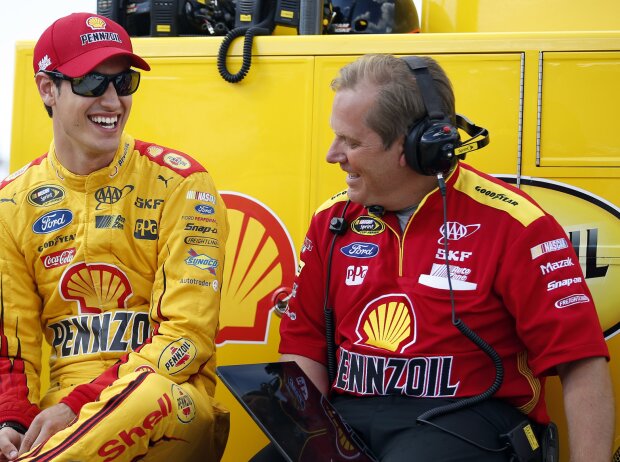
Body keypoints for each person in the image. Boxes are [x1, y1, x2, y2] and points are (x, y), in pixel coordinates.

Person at [256, 54, 614, 461]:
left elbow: (581, 364)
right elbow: (304, 344)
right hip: (349, 418)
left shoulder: (516, 225)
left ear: (417, 147)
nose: (333, 154)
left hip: (471, 421)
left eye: (352, 142)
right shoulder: (331, 221)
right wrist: (308, 440)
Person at [0, 12, 229, 462]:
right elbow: (11, 347)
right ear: (48, 89)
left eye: (123, 82)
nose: (112, 100)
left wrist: (76, 404)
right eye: (91, 83)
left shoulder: (182, 184)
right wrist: (11, 423)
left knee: (152, 393)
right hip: (62, 421)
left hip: (174, 402)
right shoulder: (11, 204)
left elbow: (187, 337)